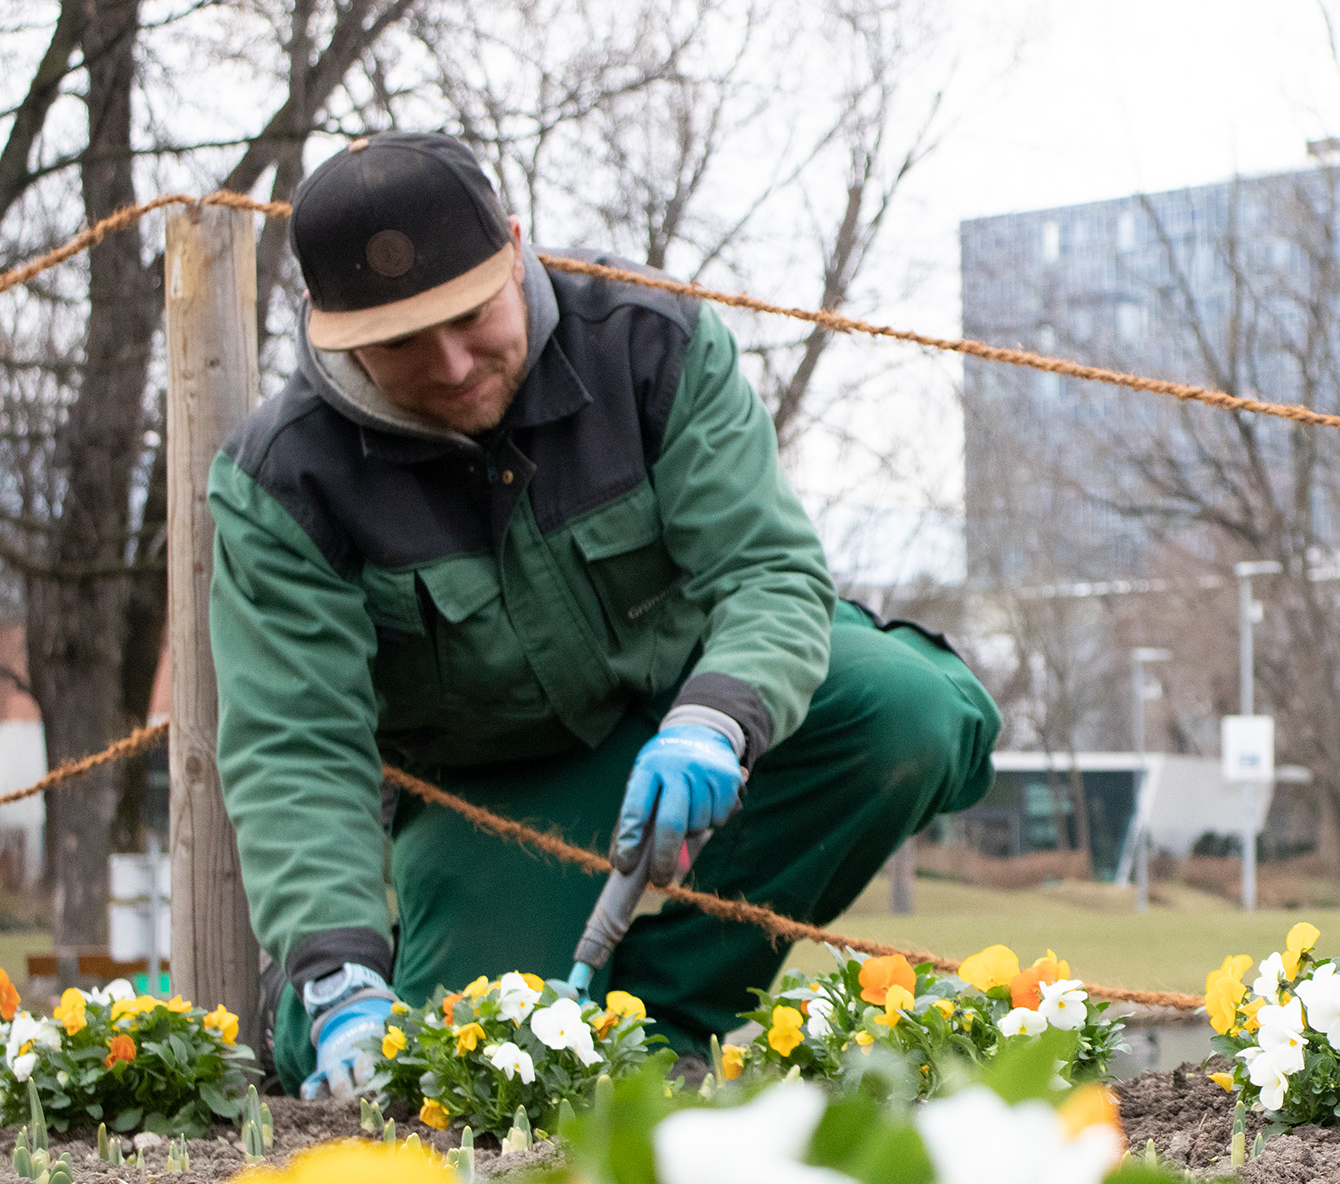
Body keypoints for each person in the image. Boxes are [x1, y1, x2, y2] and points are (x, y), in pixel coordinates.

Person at [211, 131, 1000, 1097]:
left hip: (696, 715)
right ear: (328, 329)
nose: (454, 364)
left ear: (514, 245)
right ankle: (320, 1009)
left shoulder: (646, 342)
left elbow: (768, 573)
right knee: (442, 1061)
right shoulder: (285, 481)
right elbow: (299, 746)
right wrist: (339, 977)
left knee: (906, 710)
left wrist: (718, 721)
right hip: (504, 787)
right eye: (404, 343)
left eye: (471, 315)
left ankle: (666, 1020)